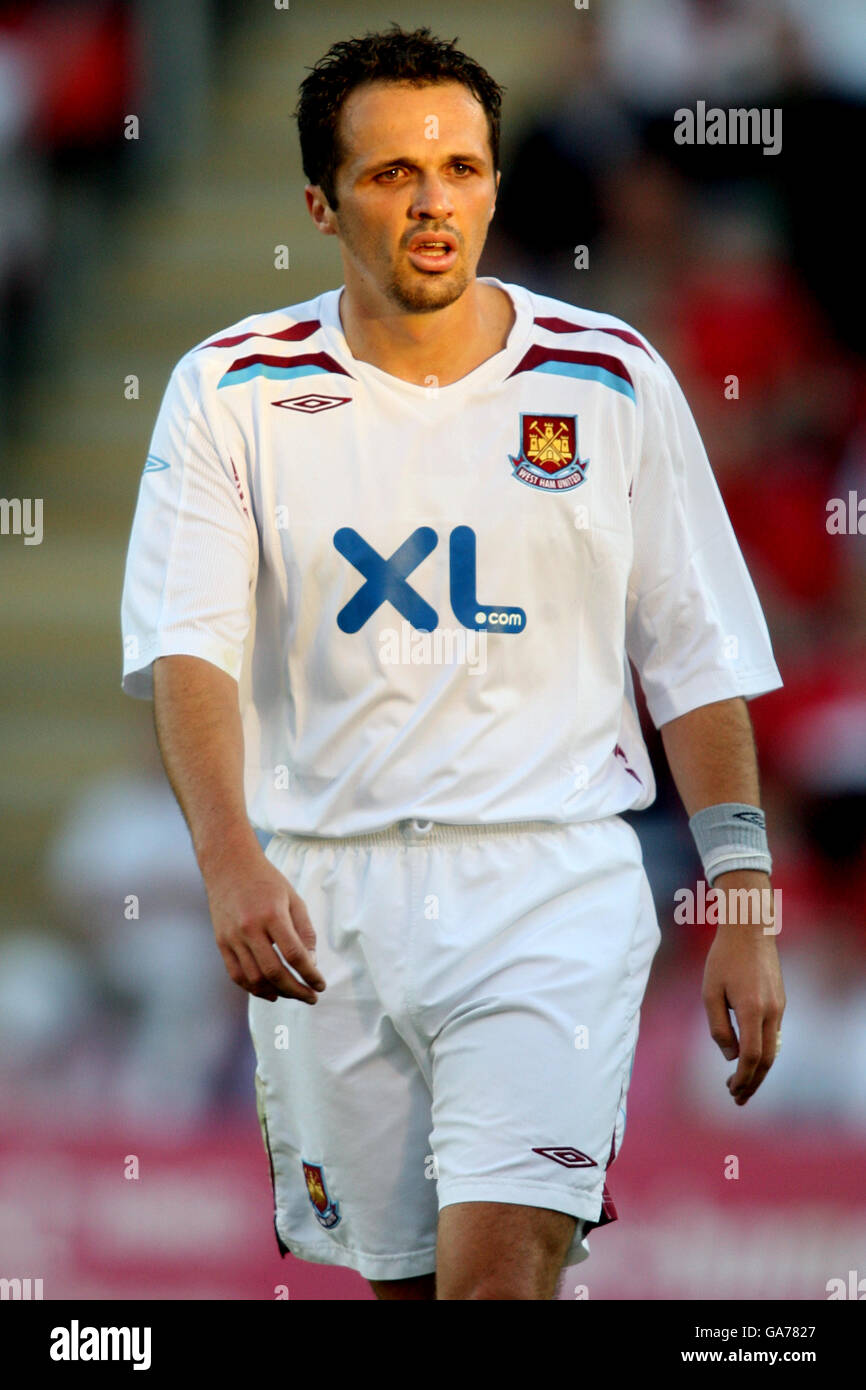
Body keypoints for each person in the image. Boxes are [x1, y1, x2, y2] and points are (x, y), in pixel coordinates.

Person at [120, 25, 786, 1301]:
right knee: (408, 1289)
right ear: (319, 203)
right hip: (328, 899)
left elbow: (694, 654)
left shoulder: (609, 377)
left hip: (549, 884)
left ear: (493, 180)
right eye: (389, 175)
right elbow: (189, 646)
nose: (434, 202)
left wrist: (741, 897)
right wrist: (227, 862)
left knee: (498, 1272)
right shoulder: (230, 391)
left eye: (461, 167)